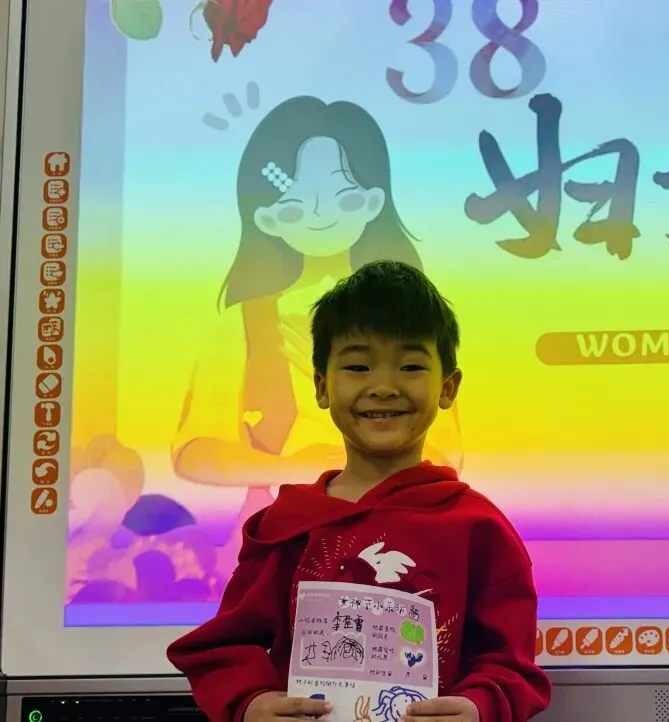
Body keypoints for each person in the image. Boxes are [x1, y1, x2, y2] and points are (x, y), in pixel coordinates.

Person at [167, 261, 550, 722]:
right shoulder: (287, 523)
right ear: (322, 387)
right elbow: (227, 645)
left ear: (448, 388)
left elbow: (510, 665)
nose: (383, 387)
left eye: (411, 366)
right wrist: (251, 702)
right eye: (357, 366)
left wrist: (478, 707)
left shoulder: (477, 527)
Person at [172, 97, 464, 575]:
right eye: (294, 203)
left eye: (344, 197)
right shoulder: (245, 321)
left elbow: (444, 453)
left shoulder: (414, 318)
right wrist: (301, 469)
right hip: (282, 546)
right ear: (265, 215)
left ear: (375, 200)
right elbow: (196, 451)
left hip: (404, 544)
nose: (320, 213)